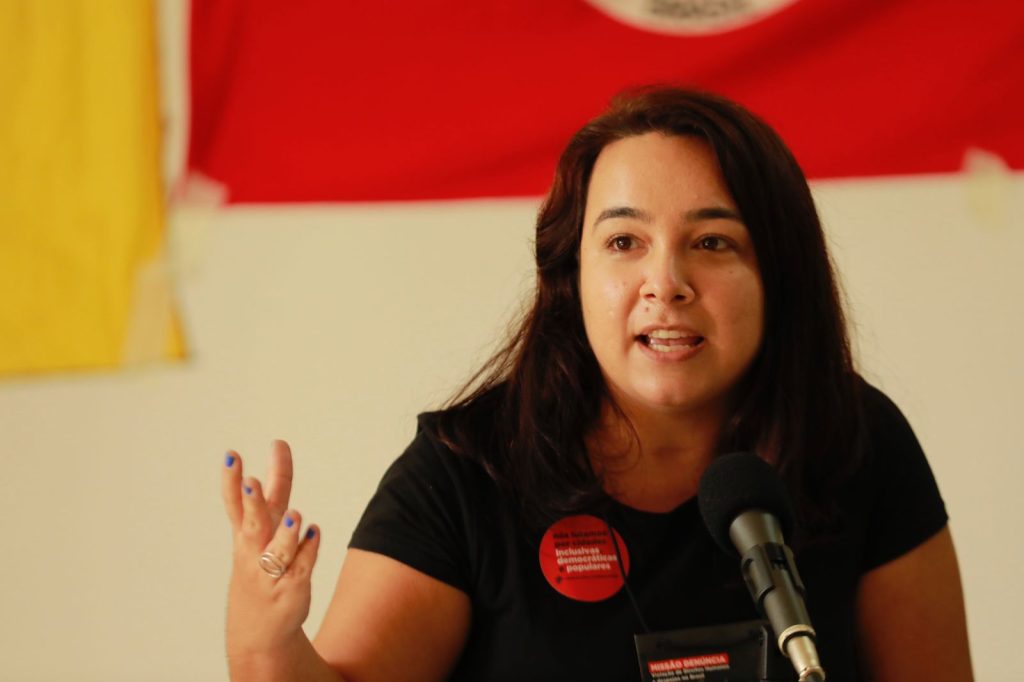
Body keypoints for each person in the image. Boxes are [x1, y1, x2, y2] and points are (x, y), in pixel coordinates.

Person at [219, 88, 973, 681]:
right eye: (624, 242)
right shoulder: (465, 475)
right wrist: (266, 645)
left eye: (713, 242)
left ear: (779, 273)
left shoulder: (854, 441)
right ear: (570, 276)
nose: (666, 282)